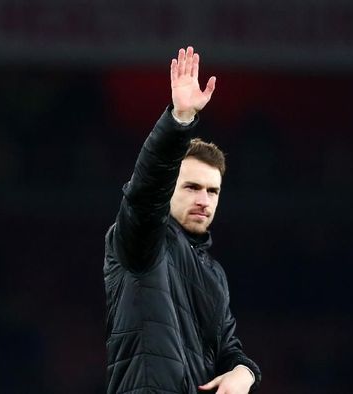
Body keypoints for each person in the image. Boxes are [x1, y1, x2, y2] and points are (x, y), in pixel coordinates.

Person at [103, 46, 261, 393]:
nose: (203, 200)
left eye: (212, 191)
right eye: (191, 187)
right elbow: (145, 192)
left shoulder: (213, 273)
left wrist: (244, 374)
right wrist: (180, 120)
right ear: (168, 191)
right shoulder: (142, 242)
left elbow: (228, 351)